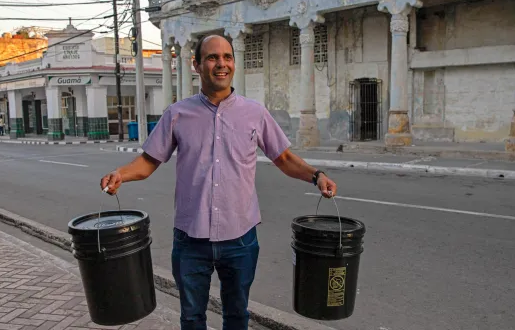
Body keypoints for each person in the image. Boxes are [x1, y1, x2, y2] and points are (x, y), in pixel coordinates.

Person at [100, 34, 337, 330]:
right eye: (212, 57)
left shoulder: (255, 113)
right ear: (197, 65)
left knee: (237, 315)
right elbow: (149, 161)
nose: (221, 64)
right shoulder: (177, 114)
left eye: (227, 57)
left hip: (240, 238)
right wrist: (121, 173)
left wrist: (317, 176)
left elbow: (284, 158)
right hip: (190, 239)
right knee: (192, 317)